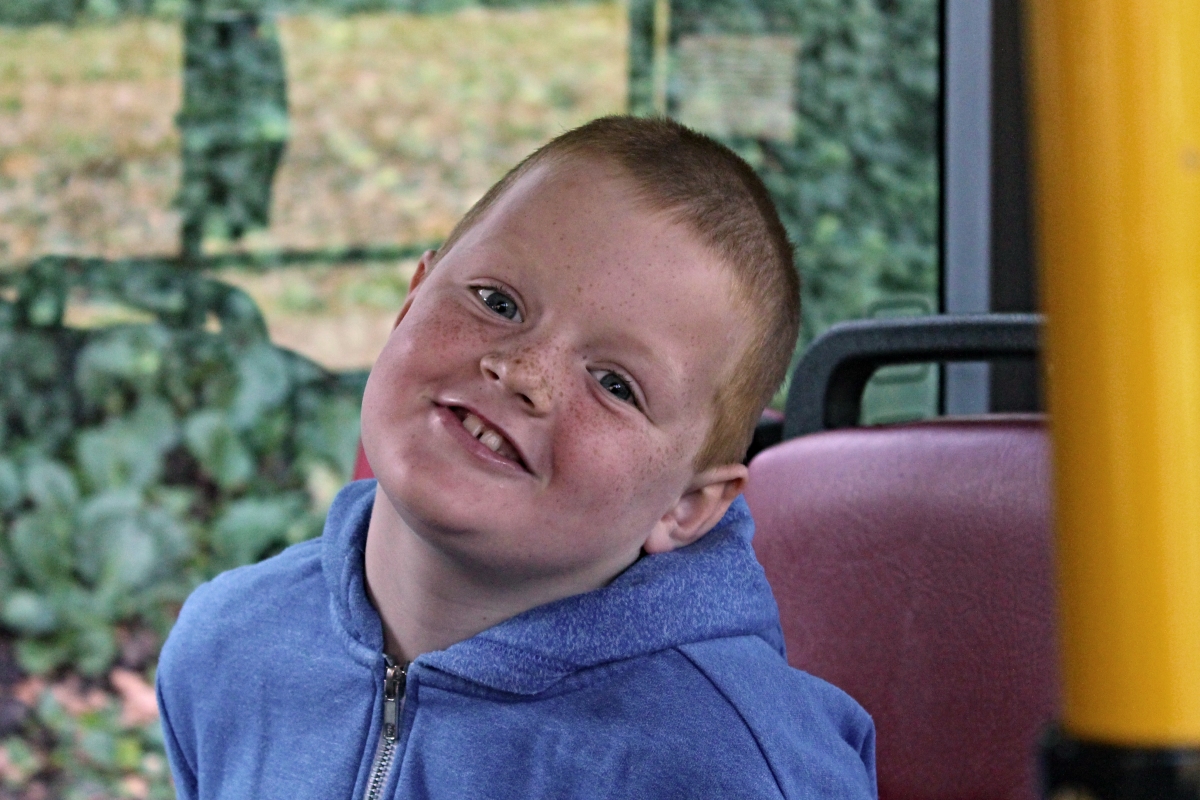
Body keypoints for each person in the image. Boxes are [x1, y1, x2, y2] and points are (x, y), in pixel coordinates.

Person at [156, 116, 877, 799]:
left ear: (687, 506)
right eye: (496, 303)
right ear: (410, 303)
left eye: (615, 384)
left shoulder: (728, 767)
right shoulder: (226, 645)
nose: (524, 372)